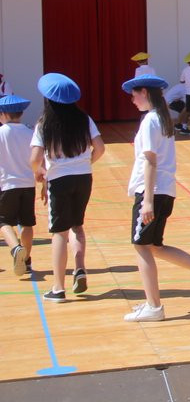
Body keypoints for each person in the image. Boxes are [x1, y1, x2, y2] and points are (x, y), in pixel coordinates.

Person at [121, 74, 190, 321]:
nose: (132, 99)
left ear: (144, 92)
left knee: (141, 247)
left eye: (134, 94)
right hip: (165, 189)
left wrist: (146, 199)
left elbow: (150, 160)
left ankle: (154, 306)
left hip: (154, 190)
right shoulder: (162, 118)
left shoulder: (150, 120)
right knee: (155, 246)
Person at [30, 74, 105, 302]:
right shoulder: (84, 119)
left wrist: (41, 172)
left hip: (59, 179)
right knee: (77, 225)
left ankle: (58, 287)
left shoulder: (45, 123)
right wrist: (85, 163)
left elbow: (34, 158)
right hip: (84, 177)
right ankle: (79, 268)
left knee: (59, 233)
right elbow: (100, 148)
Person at [0, 94, 35, 277]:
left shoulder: (2, 132)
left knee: (3, 221)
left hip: (7, 184)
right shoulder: (30, 132)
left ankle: (15, 249)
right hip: (28, 184)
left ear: (4, 114)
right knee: (27, 223)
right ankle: (27, 260)